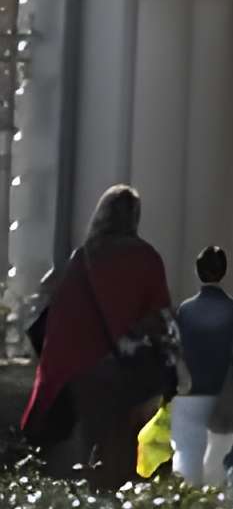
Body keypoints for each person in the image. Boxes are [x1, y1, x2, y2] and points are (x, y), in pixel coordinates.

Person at [16, 185, 177, 491]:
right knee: (124, 445)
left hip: (78, 371)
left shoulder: (81, 259)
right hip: (129, 370)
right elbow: (161, 318)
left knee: (87, 447)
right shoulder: (146, 257)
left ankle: (86, 507)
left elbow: (57, 318)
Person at [168, 245, 233, 485]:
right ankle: (213, 507)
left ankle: (185, 503)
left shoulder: (185, 310)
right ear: (224, 272)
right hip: (223, 394)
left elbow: (173, 349)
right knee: (219, 454)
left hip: (188, 392)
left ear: (197, 271)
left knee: (185, 450)